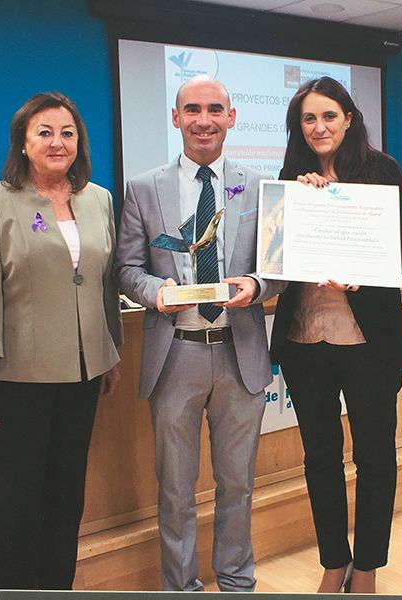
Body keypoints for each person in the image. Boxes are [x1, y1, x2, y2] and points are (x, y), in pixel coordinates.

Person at [114, 75, 284, 592]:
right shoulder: (143, 188)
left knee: (237, 484)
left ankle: (235, 581)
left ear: (232, 117)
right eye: (192, 110)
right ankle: (181, 588)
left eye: (214, 109)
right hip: (176, 354)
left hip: (240, 352)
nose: (203, 120)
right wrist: (153, 291)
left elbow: (278, 268)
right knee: (175, 490)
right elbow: (126, 267)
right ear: (175, 117)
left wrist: (255, 284)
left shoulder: (261, 186)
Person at [0, 92, 123, 589]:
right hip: (19, 378)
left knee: (67, 496)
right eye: (45, 133)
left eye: (67, 133)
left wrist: (110, 355)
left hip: (82, 375)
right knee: (18, 499)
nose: (58, 142)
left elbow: (105, 284)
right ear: (24, 144)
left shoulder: (98, 199)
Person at [270, 76, 402, 594]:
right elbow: (277, 259)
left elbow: (398, 251)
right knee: (320, 458)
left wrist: (363, 273)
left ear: (349, 118)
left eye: (329, 115)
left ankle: (369, 565)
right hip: (305, 339)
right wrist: (299, 203)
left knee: (375, 457)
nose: (319, 126)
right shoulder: (289, 177)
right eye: (309, 118)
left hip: (368, 340)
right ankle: (334, 560)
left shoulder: (382, 171)